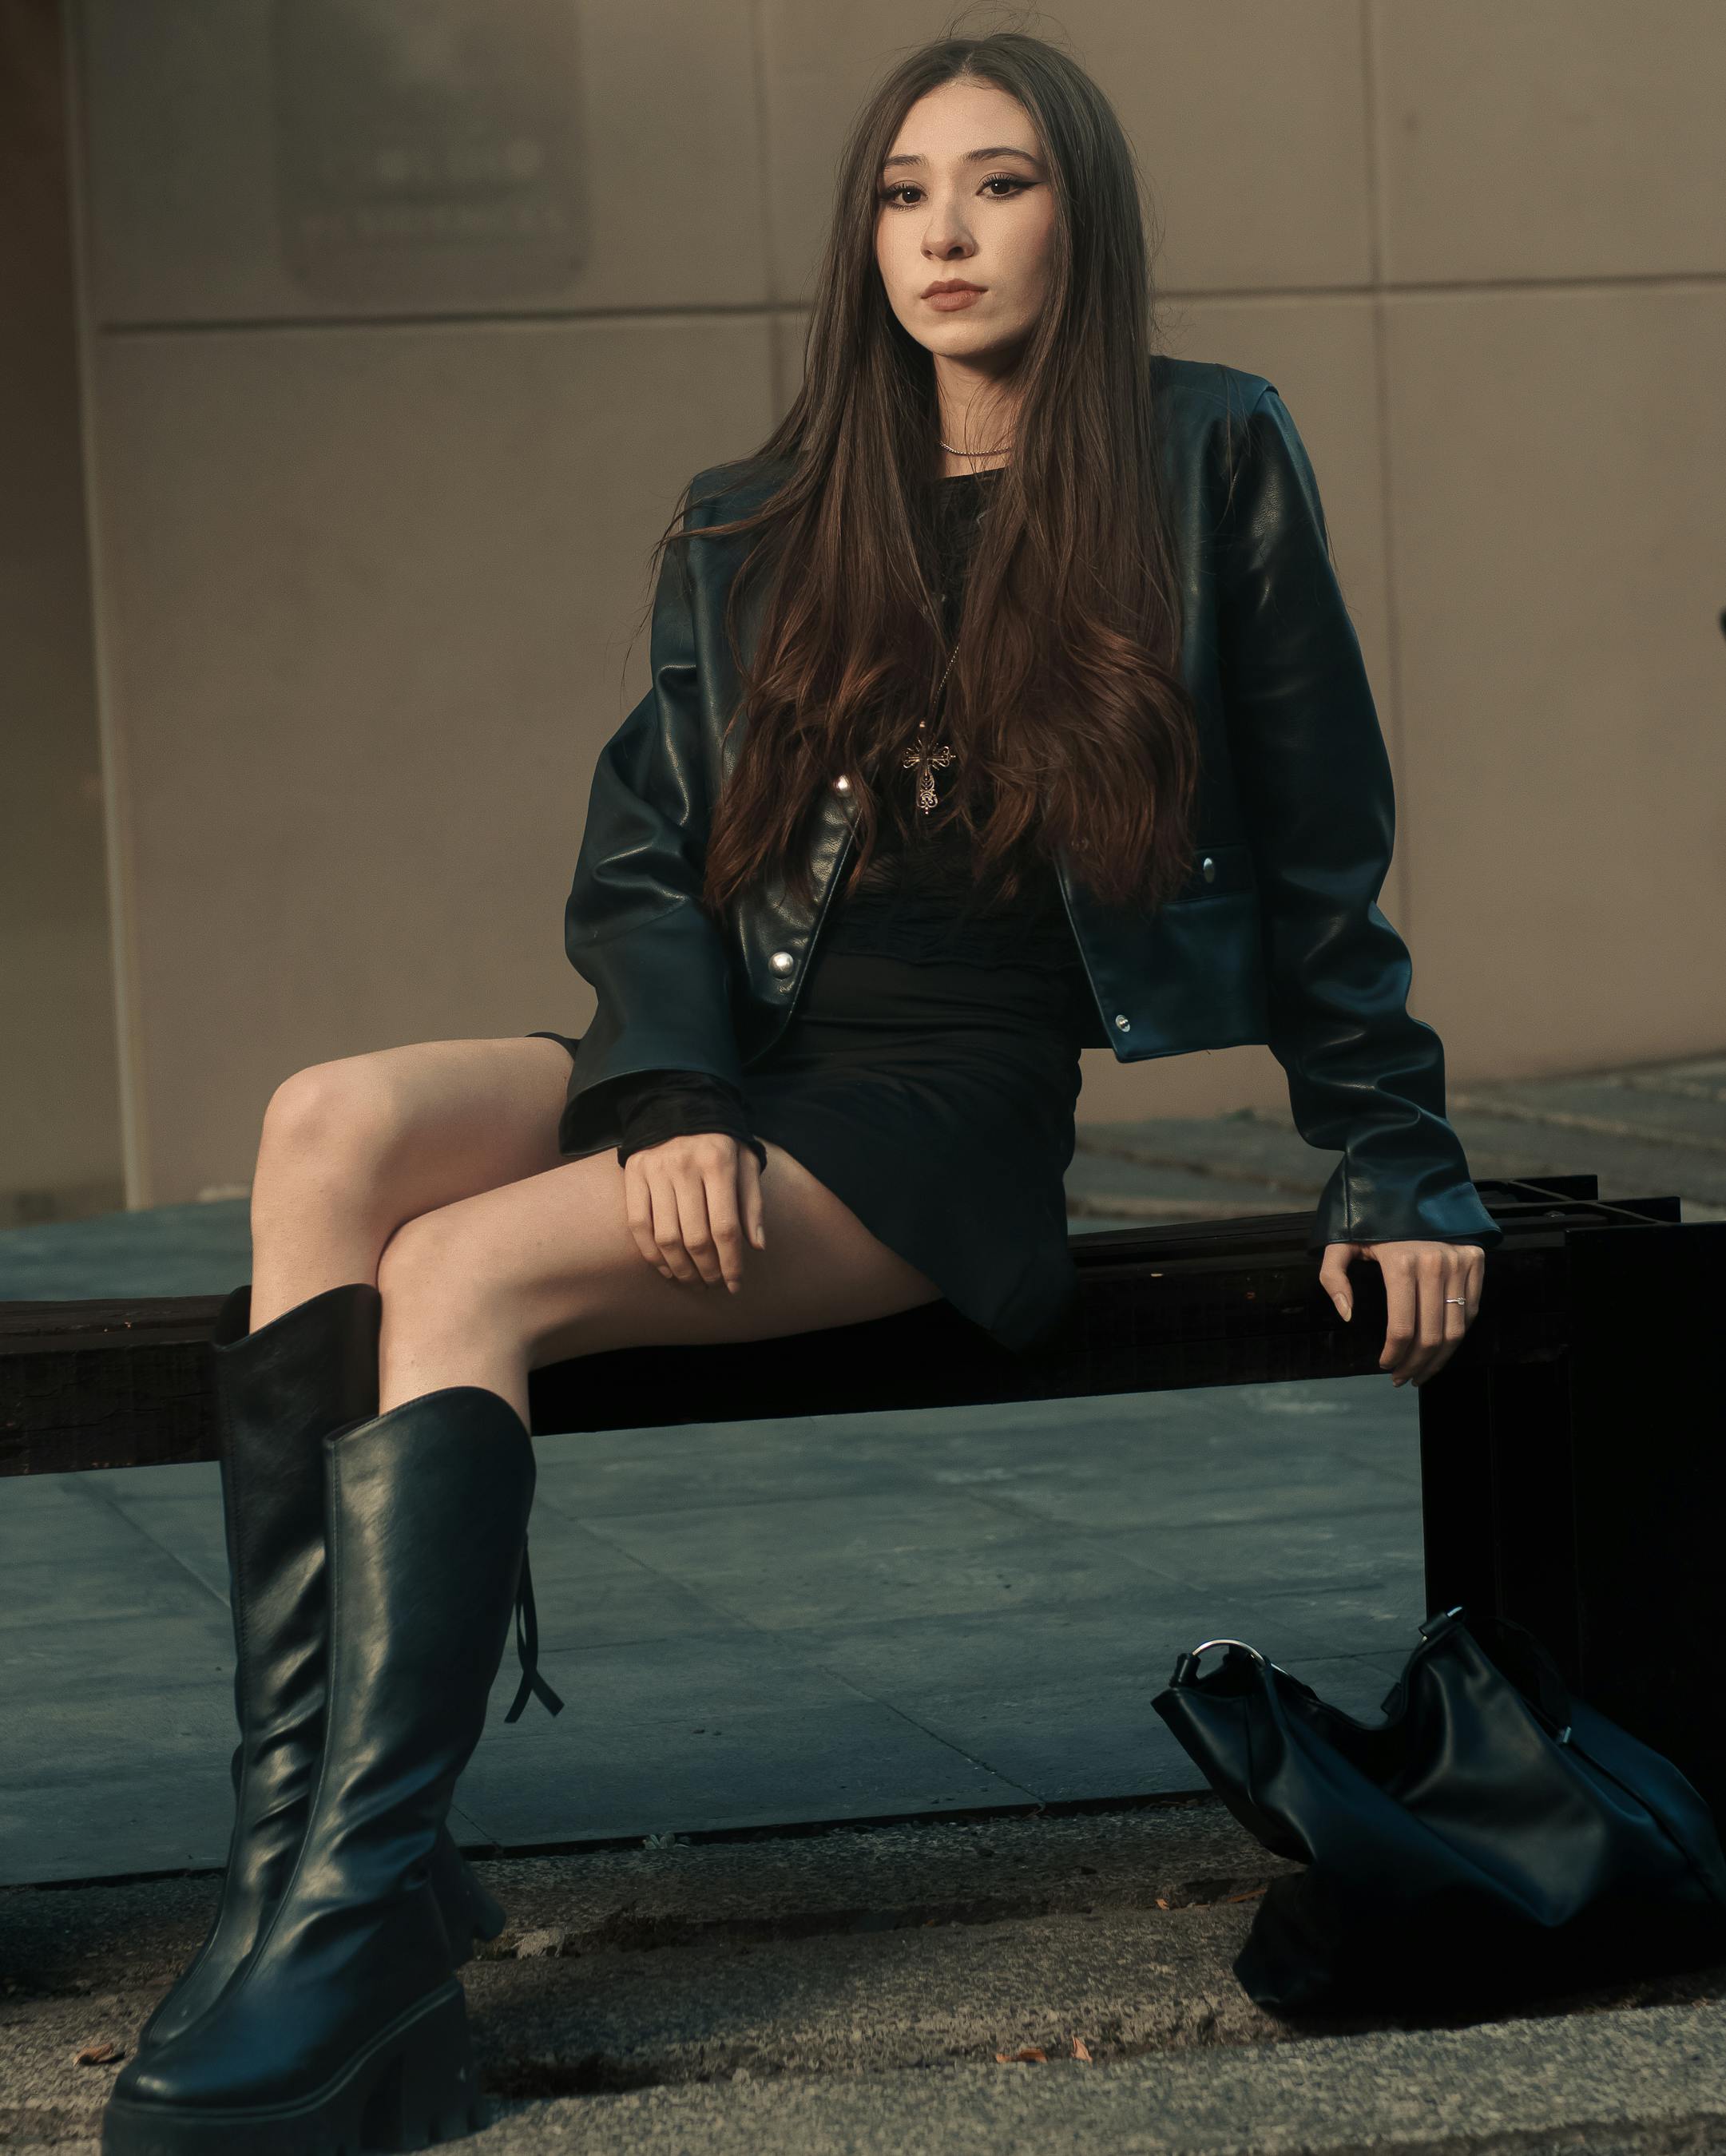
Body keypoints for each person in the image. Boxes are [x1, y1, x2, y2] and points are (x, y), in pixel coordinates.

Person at [102, 28, 1498, 2154]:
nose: (944, 233)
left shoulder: (1205, 451)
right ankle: (303, 1867)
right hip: (735, 1059)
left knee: (459, 1272)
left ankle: (356, 1920)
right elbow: (646, 860)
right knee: (327, 1128)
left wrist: (1392, 1144)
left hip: (938, 1106)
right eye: (903, 193)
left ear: (1081, 217)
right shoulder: (758, 513)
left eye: (1000, 183)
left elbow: (1324, 842)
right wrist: (671, 1091)